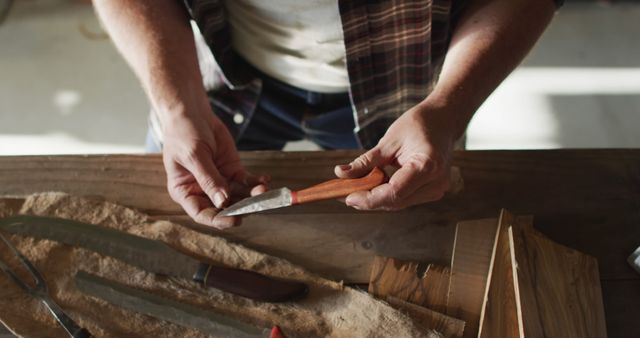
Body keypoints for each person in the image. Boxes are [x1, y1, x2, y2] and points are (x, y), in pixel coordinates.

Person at [93, 0, 561, 229]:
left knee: (412, 222)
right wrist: (177, 107)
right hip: (212, 77)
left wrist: (446, 109)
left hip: (409, 94)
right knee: (173, 214)